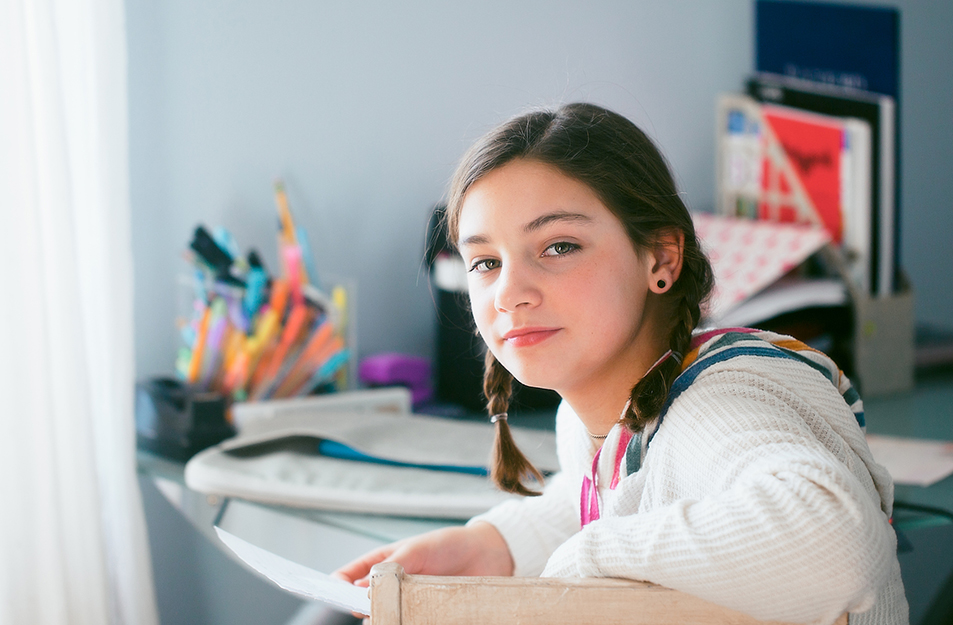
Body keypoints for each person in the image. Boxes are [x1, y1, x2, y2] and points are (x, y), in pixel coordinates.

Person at [335, 103, 908, 624]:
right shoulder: (595, 411)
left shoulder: (716, 405)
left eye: (558, 247)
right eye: (484, 261)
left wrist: (583, 562)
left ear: (661, 257)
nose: (509, 292)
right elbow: (618, 494)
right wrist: (489, 545)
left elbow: (837, 543)